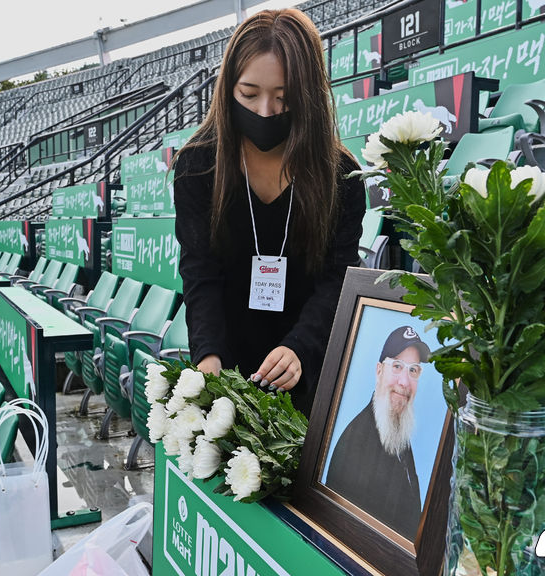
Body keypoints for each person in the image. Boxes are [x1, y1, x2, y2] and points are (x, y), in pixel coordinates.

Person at [173, 8, 364, 417]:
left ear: (309, 95)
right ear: (228, 90)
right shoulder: (197, 166)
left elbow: (337, 280)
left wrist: (300, 348)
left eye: (284, 98)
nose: (264, 111)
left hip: (307, 372)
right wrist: (208, 357)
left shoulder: (342, 176)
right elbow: (200, 272)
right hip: (225, 371)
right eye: (249, 94)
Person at [324, 325, 430, 541]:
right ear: (379, 371)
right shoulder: (356, 445)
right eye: (397, 366)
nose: (404, 382)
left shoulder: (395, 430)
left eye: (413, 370)